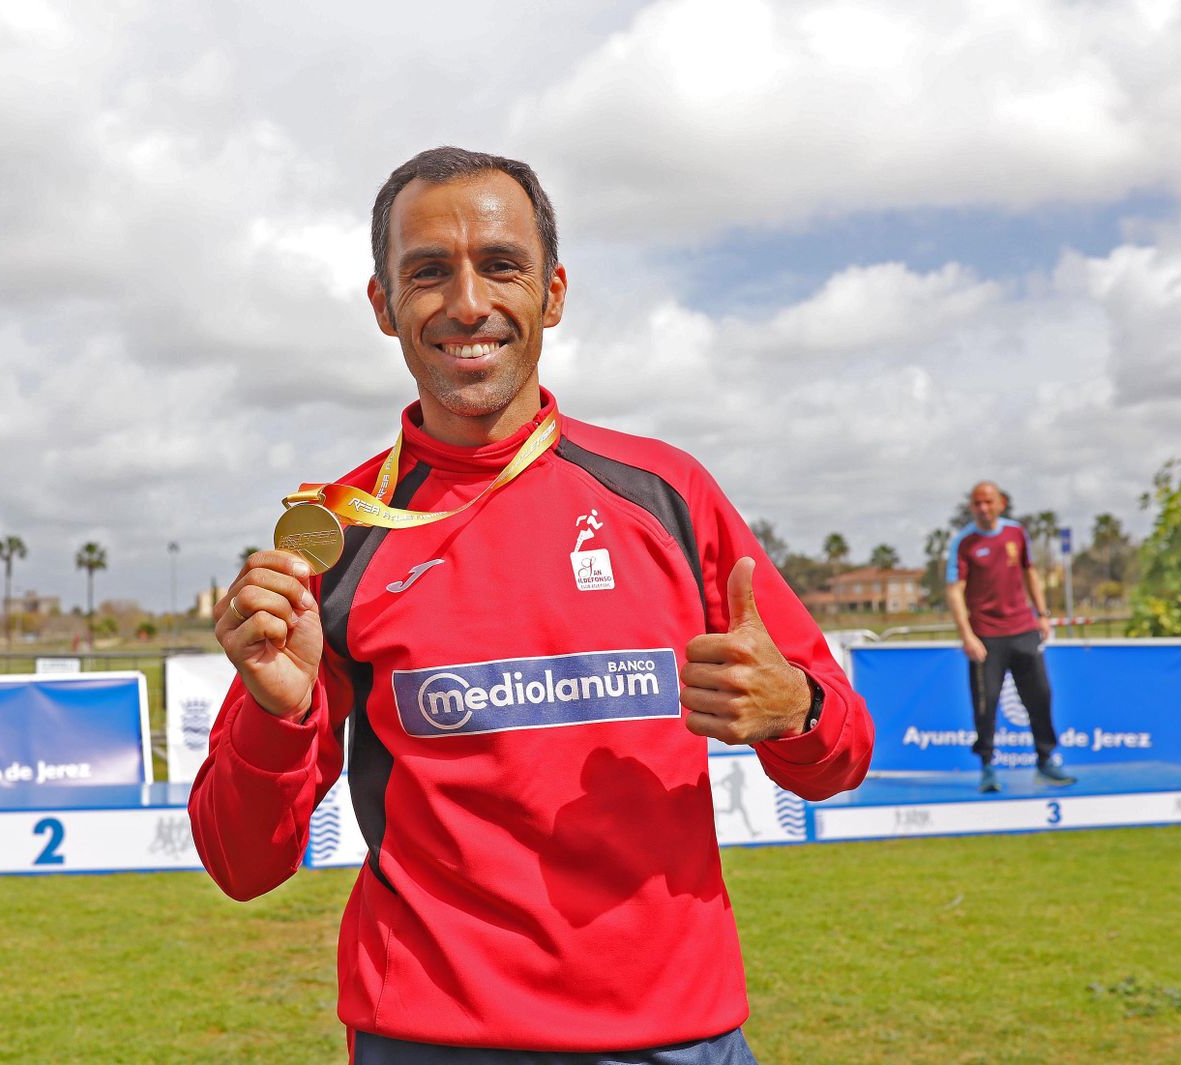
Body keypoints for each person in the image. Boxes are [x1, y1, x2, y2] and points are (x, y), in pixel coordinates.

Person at [189, 147, 875, 1064]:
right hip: (433, 1040)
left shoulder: (667, 494)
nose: (467, 303)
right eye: (427, 272)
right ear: (383, 305)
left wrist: (798, 708)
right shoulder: (338, 539)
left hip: (677, 1036)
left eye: (500, 265)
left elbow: (841, 754)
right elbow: (242, 863)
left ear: (551, 294)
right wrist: (279, 713)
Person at [944, 481, 1075, 793]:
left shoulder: (1016, 532)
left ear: (1001, 503)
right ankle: (988, 767)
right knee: (985, 704)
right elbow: (954, 590)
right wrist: (967, 636)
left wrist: (1042, 614)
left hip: (1024, 630)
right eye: (977, 503)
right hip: (985, 639)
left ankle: (1046, 761)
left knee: (1040, 697)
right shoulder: (964, 542)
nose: (983, 508)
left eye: (988, 501)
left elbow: (1030, 572)